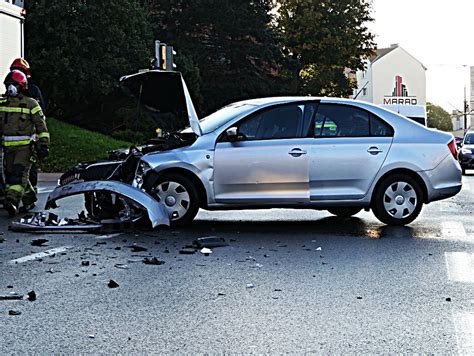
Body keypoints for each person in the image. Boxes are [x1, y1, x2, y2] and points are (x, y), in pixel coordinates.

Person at [0, 70, 49, 216]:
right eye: (8, 85)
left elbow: (42, 127)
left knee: (17, 174)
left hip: (25, 148)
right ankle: (29, 198)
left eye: (13, 85)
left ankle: (12, 202)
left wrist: (44, 144)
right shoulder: (3, 103)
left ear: (21, 86)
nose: (10, 88)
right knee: (13, 176)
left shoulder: (31, 104)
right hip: (8, 149)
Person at [9, 58, 46, 194]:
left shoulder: (32, 91)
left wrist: (41, 138)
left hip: (29, 133)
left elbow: (40, 115)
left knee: (29, 163)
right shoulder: (11, 91)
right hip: (12, 134)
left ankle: (31, 189)